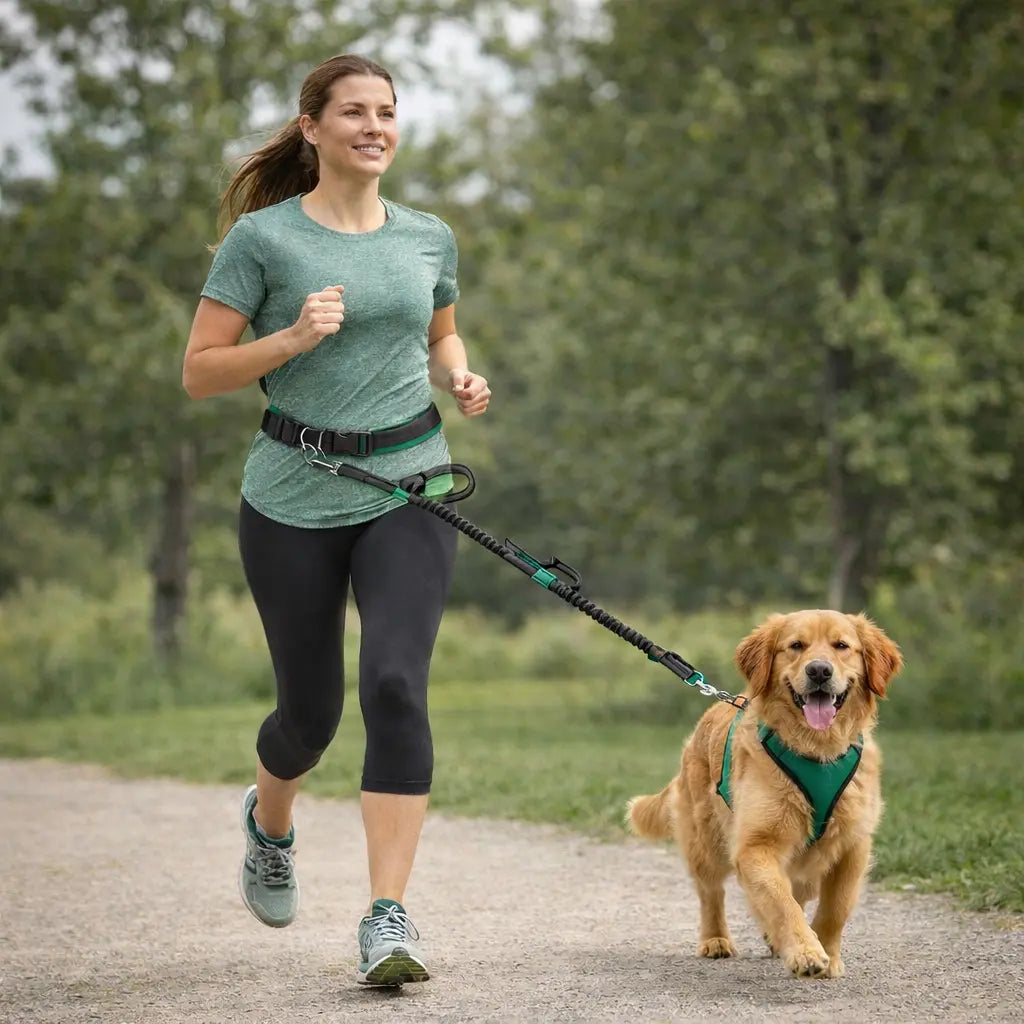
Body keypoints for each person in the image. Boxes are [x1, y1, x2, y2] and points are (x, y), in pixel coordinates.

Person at [181, 53, 490, 987]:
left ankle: (388, 918)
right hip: (293, 494)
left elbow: (437, 330)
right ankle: (269, 823)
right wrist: (290, 339)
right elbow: (200, 371)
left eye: (387, 112)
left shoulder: (428, 235)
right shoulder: (264, 243)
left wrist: (457, 373)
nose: (374, 126)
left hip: (411, 484)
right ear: (310, 128)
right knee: (308, 718)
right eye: (353, 111)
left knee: (395, 685)